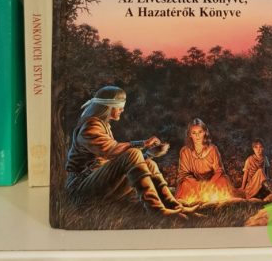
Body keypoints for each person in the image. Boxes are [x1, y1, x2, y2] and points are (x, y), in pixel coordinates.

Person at [65, 85, 196, 218]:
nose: (122, 110)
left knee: (150, 165)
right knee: (133, 153)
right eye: (119, 106)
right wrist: (143, 144)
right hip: (81, 189)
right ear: (108, 107)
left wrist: (149, 154)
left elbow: (120, 162)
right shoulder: (90, 126)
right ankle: (156, 210)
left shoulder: (104, 126)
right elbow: (111, 151)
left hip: (96, 184)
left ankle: (174, 206)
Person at [175, 118, 235, 202]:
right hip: (194, 184)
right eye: (194, 133)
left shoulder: (213, 149)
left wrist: (209, 184)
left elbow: (219, 170)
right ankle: (197, 199)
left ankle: (211, 199)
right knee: (185, 184)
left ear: (205, 132)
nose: (197, 136)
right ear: (190, 135)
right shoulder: (185, 151)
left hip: (212, 182)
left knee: (223, 180)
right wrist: (198, 185)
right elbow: (183, 173)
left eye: (200, 132)